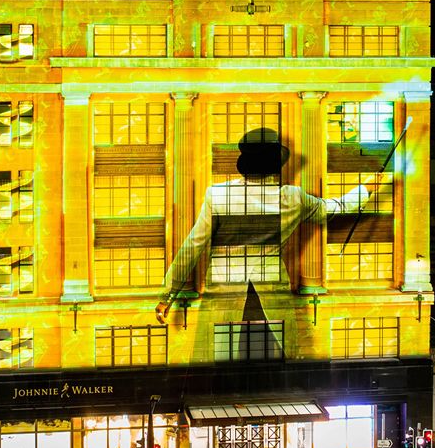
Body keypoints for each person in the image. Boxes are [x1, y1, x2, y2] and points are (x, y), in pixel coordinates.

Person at [155, 127, 382, 322]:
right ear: (276, 164)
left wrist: (167, 297)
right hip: (271, 293)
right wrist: (367, 188)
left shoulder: (218, 195)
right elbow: (336, 208)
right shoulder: (292, 197)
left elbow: (193, 246)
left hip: (225, 294)